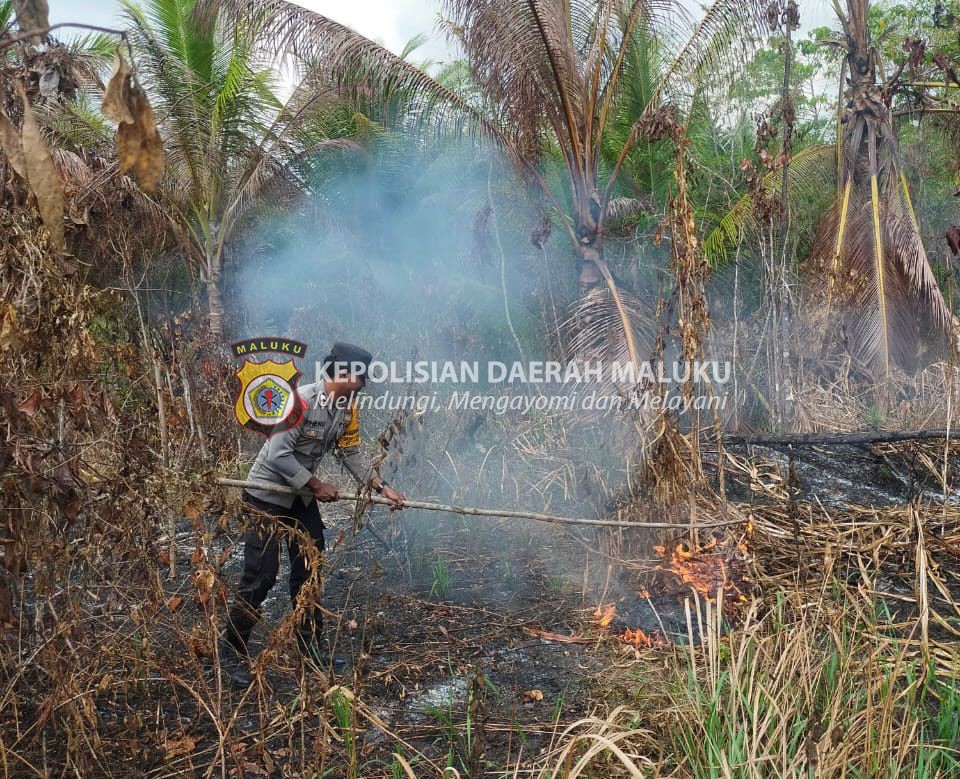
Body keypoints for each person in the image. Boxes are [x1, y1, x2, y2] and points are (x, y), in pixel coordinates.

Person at [222, 342, 404, 687]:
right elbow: (278, 454)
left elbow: (350, 454)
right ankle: (232, 650)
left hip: (300, 500)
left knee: (309, 573)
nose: (365, 383)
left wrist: (382, 487)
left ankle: (309, 649)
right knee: (261, 577)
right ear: (344, 373)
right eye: (361, 376)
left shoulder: (348, 408)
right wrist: (317, 484)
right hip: (267, 495)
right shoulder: (300, 401)